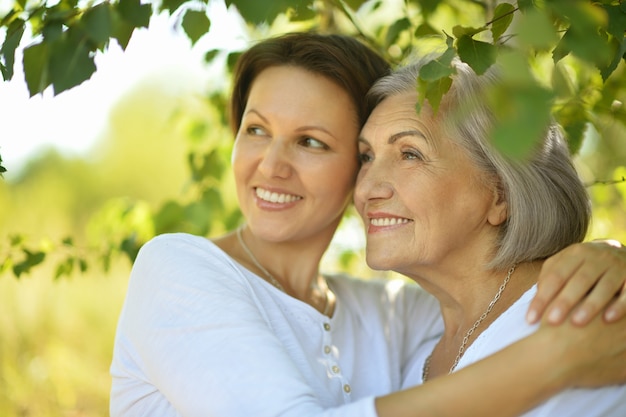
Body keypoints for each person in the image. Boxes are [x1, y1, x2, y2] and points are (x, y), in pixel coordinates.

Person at [110, 32, 626, 417]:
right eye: (256, 129)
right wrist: (550, 362)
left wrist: (607, 254)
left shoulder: (395, 317)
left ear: (500, 192)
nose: (270, 166)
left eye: (312, 141)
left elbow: (497, 295)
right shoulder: (177, 267)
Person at [354, 54, 626, 416]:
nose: (367, 189)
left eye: (410, 154)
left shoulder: (587, 318)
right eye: (366, 156)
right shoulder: (416, 360)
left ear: (500, 194)